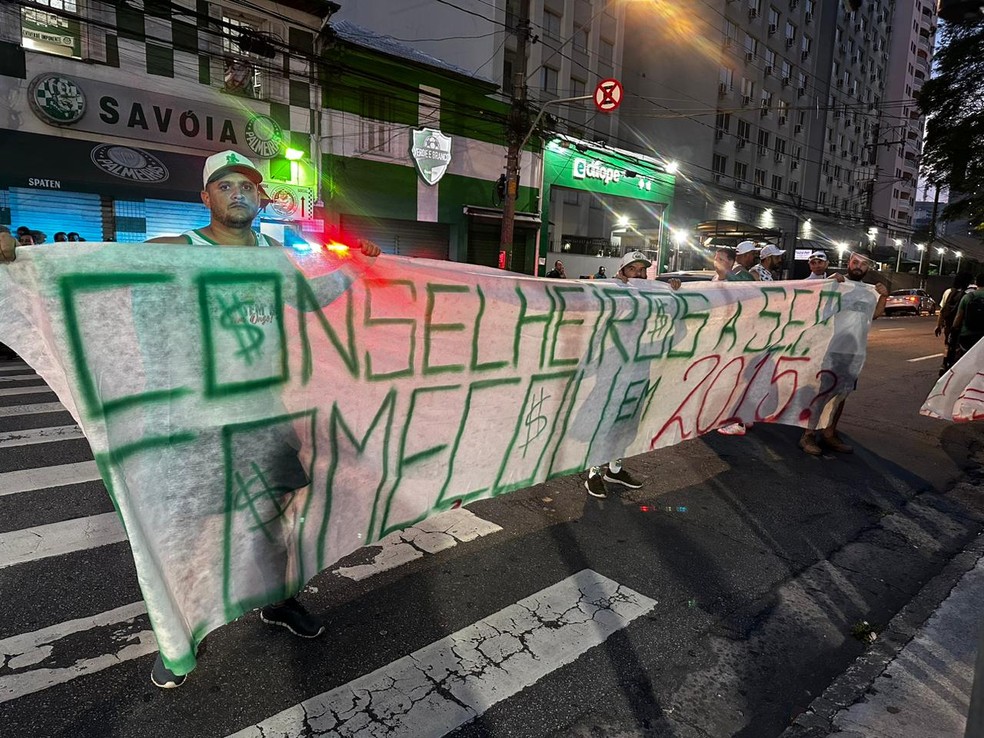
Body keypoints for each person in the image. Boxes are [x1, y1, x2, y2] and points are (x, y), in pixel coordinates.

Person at [3, 150, 381, 690]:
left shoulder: (274, 256)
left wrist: (355, 265)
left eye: (247, 185)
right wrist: (20, 257)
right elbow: (87, 271)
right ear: (205, 198)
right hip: (196, 423)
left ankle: (278, 601)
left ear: (263, 197)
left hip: (264, 414)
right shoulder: (173, 252)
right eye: (224, 186)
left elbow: (311, 298)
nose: (238, 194)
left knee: (272, 519)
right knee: (189, 531)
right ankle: (180, 635)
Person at [583, 252, 680, 498]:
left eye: (642, 270)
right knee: (606, 419)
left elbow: (673, 315)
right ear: (622, 271)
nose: (638, 274)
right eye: (633, 269)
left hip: (638, 367)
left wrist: (674, 291)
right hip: (611, 367)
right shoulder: (609, 289)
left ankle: (614, 468)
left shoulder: (649, 293)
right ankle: (593, 472)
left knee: (626, 420)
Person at [798, 252, 888, 456]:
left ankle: (829, 433)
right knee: (823, 392)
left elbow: (874, 315)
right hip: (833, 349)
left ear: (868, 268)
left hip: (855, 352)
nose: (859, 266)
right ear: (848, 263)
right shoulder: (837, 284)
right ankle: (808, 434)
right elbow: (815, 307)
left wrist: (883, 296)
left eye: (864, 264)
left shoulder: (868, 292)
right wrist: (828, 284)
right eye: (855, 262)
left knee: (842, 394)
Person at [936, 272, 973, 375]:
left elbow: (942, 310)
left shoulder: (948, 292)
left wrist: (938, 325)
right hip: (961, 326)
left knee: (948, 344)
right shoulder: (969, 294)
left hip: (948, 325)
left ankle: (944, 364)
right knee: (958, 347)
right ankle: (955, 369)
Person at [949, 273, 984, 362]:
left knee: (964, 360)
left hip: (967, 335)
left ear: (976, 282)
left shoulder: (968, 297)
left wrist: (953, 331)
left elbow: (958, 317)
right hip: (982, 338)